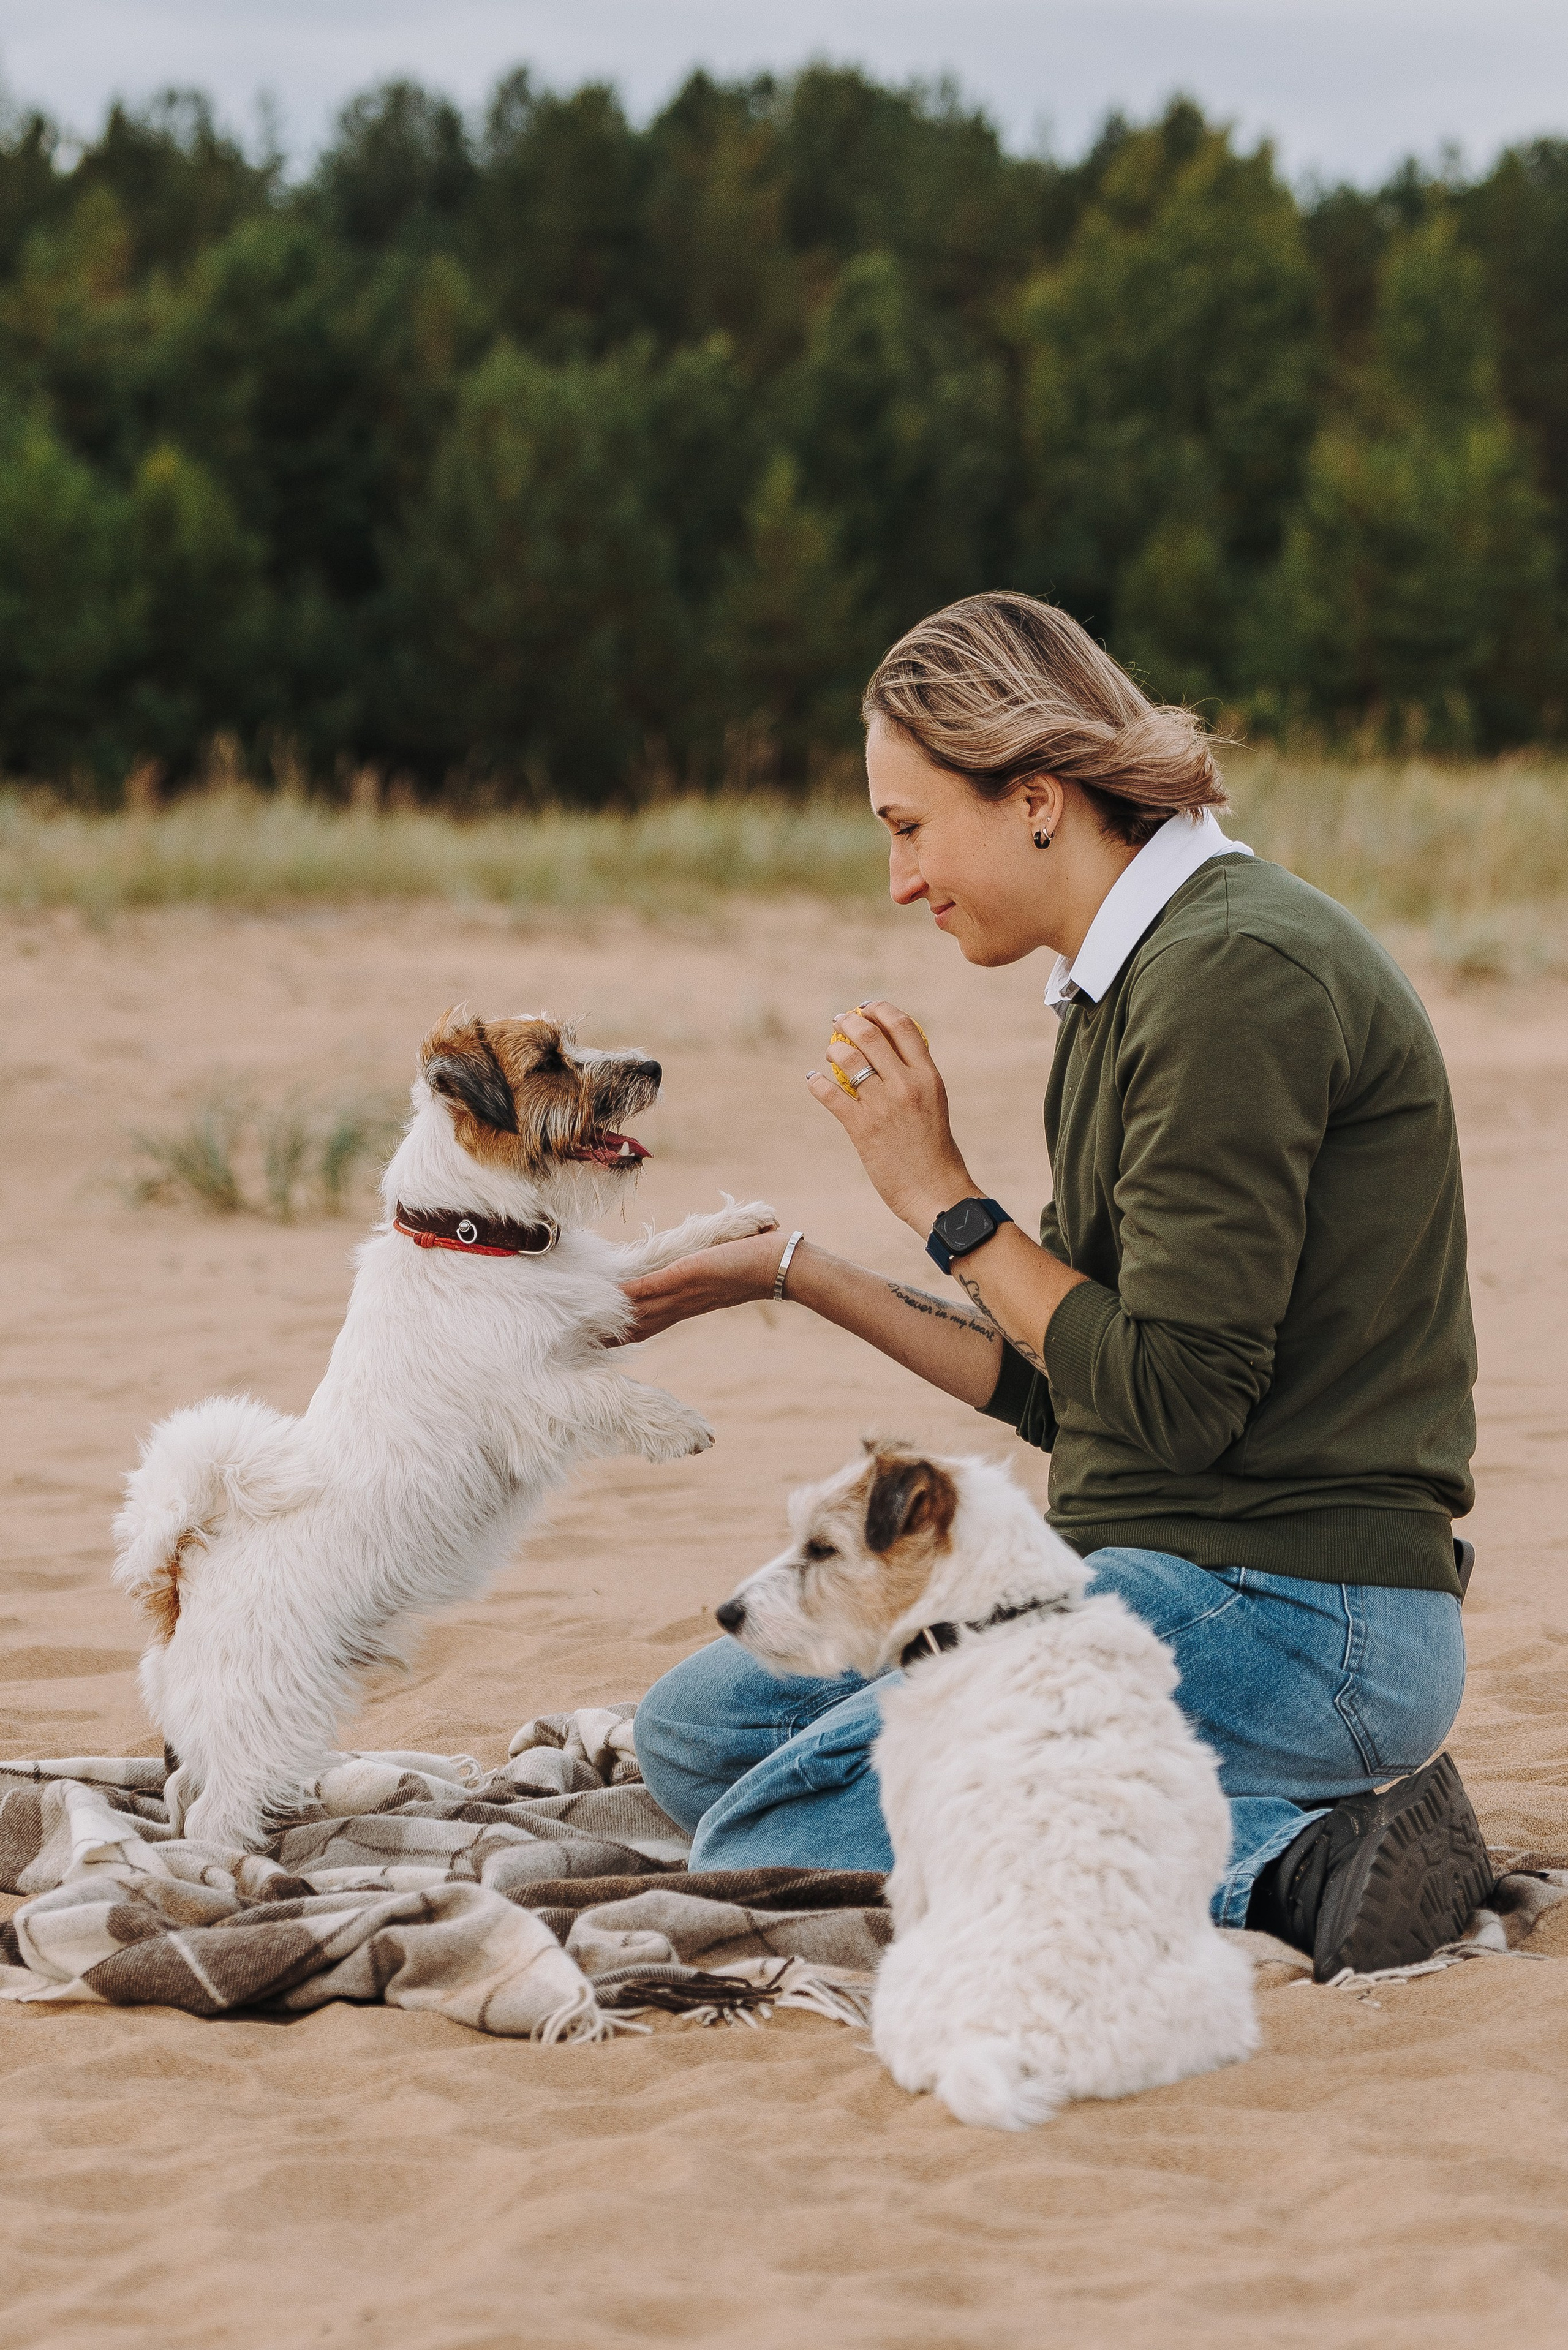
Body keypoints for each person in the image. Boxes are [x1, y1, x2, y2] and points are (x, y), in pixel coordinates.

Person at [624, 591, 1493, 1981]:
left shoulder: (1230, 976)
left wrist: (941, 1197)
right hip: (1170, 1566)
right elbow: (1064, 1381)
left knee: (769, 1825)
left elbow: (1179, 1399)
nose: (900, 880)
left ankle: (1294, 1863)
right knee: (701, 1734)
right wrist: (794, 1270)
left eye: (910, 827)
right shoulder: (1128, 980)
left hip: (1299, 1609)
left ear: (1036, 799)